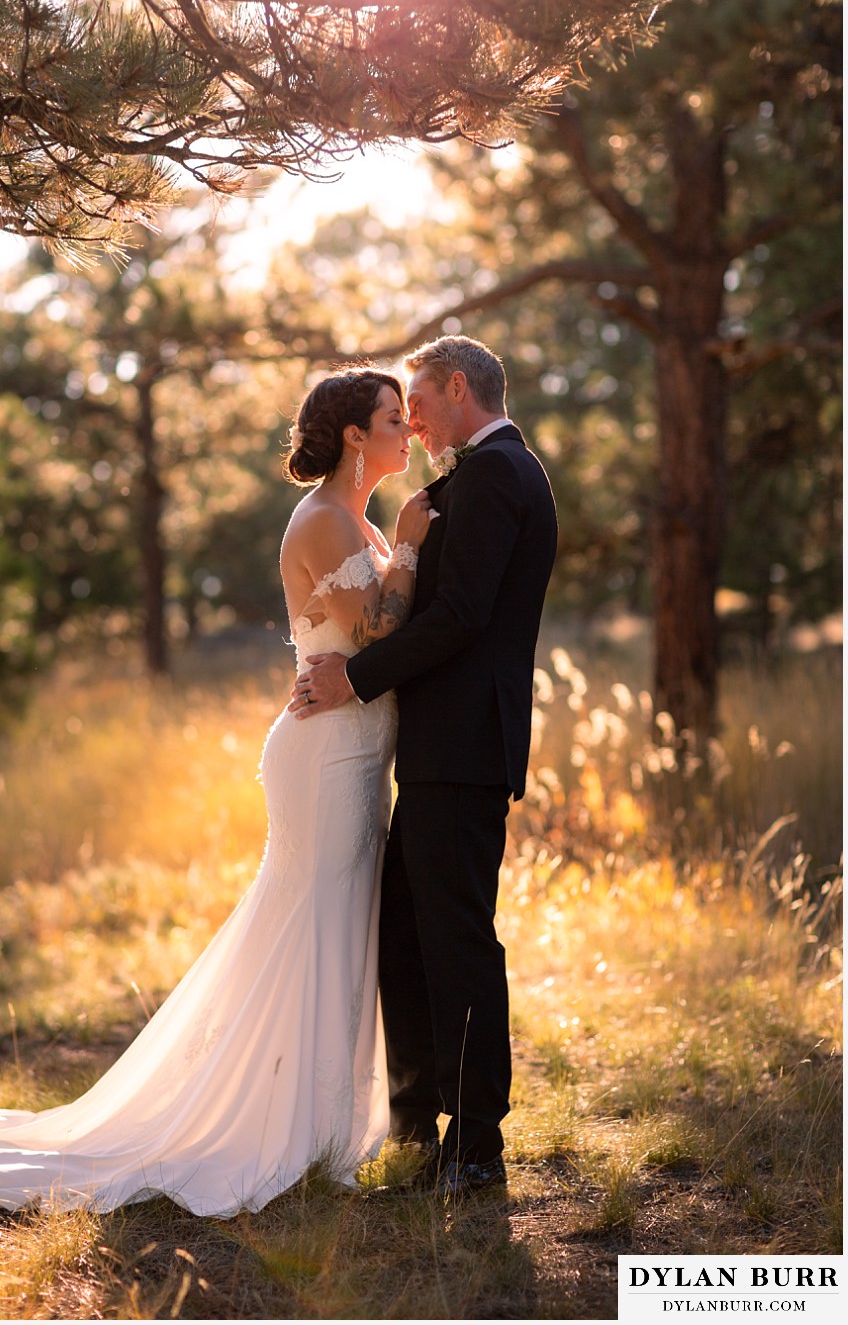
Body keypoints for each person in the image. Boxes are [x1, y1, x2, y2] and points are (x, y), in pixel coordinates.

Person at [0, 368, 432, 1217]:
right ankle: (281, 1131)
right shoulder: (328, 520)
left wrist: (396, 539)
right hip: (324, 757)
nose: (410, 432)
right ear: (356, 436)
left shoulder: (354, 518)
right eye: (395, 419)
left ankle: (322, 1124)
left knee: (337, 924)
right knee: (315, 921)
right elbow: (375, 632)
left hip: (358, 754)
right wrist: (409, 542)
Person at [290, 335, 557, 1195]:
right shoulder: (478, 477)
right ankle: (414, 1120)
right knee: (407, 935)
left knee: (457, 943)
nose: (413, 419)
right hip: (438, 750)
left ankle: (476, 1144)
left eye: (420, 402)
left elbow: (460, 618)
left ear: (455, 387)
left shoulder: (496, 476)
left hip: (463, 750)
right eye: (397, 411)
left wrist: (356, 677)